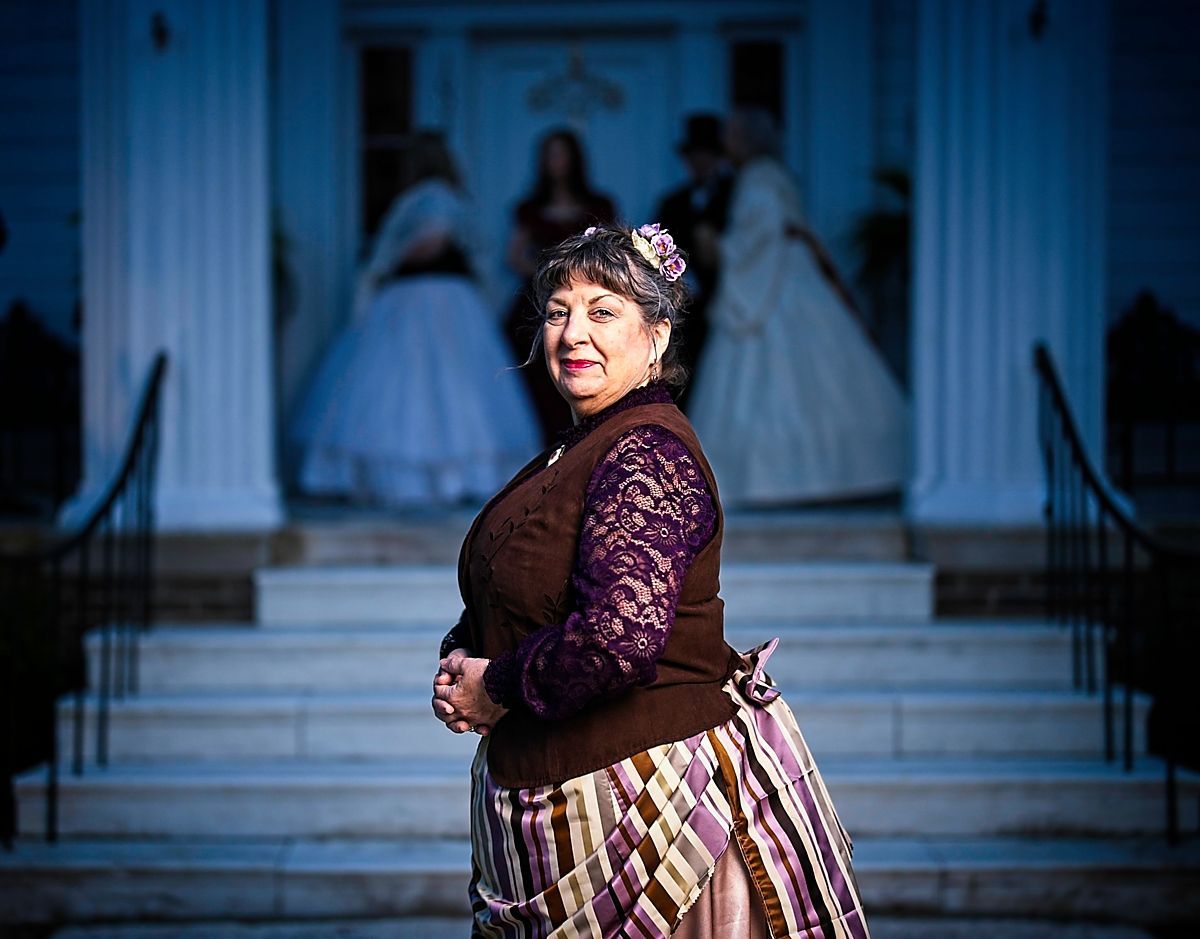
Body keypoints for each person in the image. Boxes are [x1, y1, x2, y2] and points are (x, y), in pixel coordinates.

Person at [432, 224, 870, 937]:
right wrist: (463, 660)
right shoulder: (579, 446)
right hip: (545, 799)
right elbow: (514, 580)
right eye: (558, 312)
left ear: (657, 335)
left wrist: (497, 685)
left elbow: (618, 638)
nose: (573, 333)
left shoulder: (647, 452)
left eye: (603, 311)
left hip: (651, 812)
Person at [289, 131, 538, 508]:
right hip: (439, 297)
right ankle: (449, 478)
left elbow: (432, 242)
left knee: (418, 384)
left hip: (428, 295)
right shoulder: (445, 198)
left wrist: (389, 259)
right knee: (437, 385)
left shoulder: (431, 197)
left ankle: (424, 479)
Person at [688, 108, 909, 506]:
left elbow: (759, 235)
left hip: (775, 278)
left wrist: (718, 247)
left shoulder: (758, 178)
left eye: (732, 135)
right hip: (789, 274)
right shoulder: (771, 175)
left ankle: (785, 480)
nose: (726, 143)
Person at [505, 128, 617, 443]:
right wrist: (552, 276)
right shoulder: (529, 208)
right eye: (550, 154)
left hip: (588, 299)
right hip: (539, 304)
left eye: (562, 153)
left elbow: (613, 254)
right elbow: (513, 257)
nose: (556, 161)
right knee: (540, 377)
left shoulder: (600, 204)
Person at [654, 113, 734, 407]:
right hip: (686, 308)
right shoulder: (672, 201)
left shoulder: (735, 195)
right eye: (693, 155)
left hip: (727, 304)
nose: (699, 162)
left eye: (706, 154)